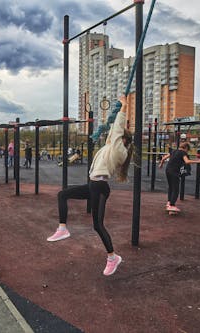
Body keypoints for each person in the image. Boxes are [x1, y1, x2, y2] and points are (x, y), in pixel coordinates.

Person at [46, 95, 134, 276]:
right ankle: (62, 228)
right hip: (93, 185)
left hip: (100, 188)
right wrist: (116, 113)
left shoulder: (120, 151)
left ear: (122, 140)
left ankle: (112, 257)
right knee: (63, 194)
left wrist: (124, 106)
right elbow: (113, 131)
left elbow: (117, 129)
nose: (111, 135)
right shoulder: (111, 146)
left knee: (97, 225)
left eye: (116, 135)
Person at [159, 142, 200, 212]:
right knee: (176, 188)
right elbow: (187, 161)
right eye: (187, 150)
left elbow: (164, 158)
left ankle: (169, 202)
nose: (187, 152)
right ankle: (172, 205)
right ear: (186, 148)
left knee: (171, 187)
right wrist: (198, 161)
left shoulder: (173, 151)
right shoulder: (183, 153)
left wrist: (161, 164)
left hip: (168, 170)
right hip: (174, 171)